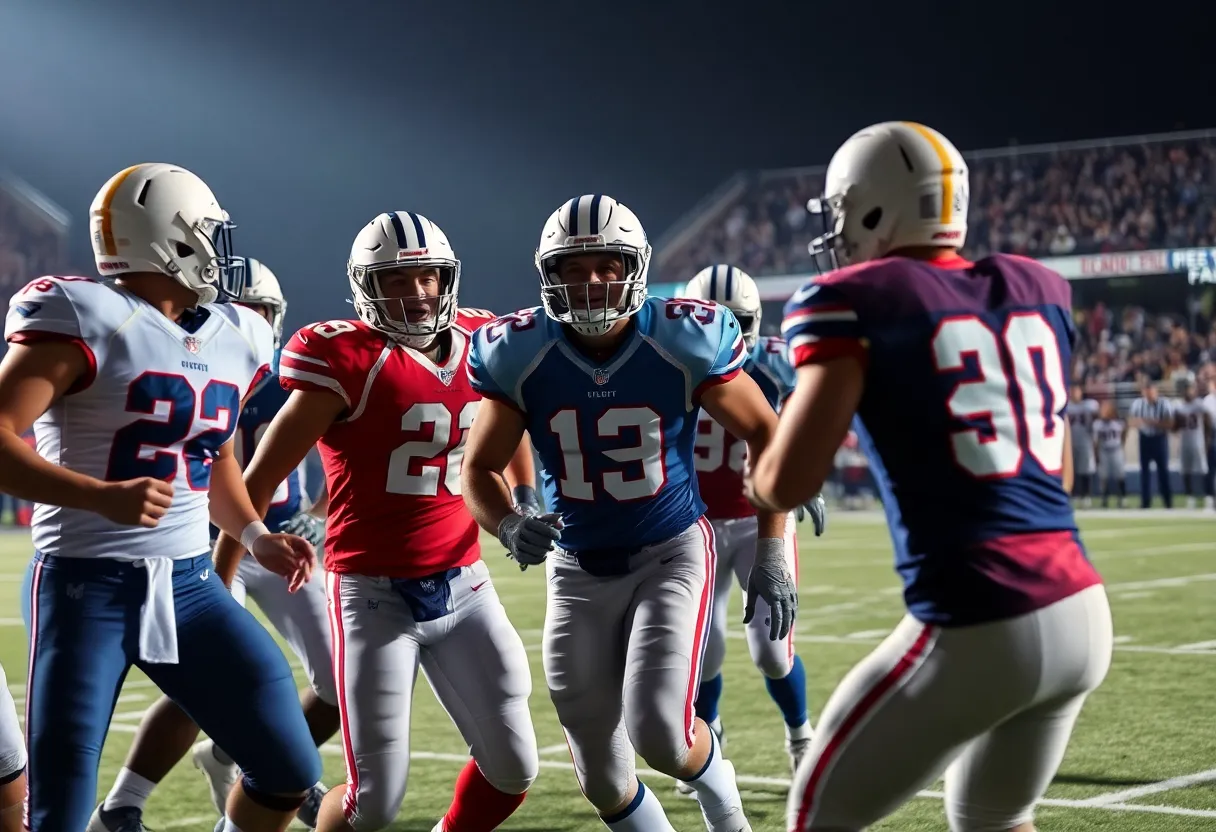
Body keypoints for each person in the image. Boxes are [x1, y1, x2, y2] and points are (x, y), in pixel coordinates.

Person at [743, 122, 1112, 832]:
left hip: (979, 617)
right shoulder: (1035, 287)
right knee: (995, 821)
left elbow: (787, 483)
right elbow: (1057, 473)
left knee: (819, 817)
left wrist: (756, 477)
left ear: (874, 211)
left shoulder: (857, 297)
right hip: (1082, 612)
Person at [0, 163, 321, 832]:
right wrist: (98, 495)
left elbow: (218, 456)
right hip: (84, 589)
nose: (217, 249)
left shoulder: (234, 332)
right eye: (205, 233)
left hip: (191, 586)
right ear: (169, 240)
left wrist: (257, 534)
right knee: (58, 812)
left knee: (290, 766)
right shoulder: (85, 314)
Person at [463, 194, 797, 832]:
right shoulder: (519, 349)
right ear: (548, 273)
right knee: (602, 774)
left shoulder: (680, 336)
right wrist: (506, 521)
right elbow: (476, 469)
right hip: (577, 565)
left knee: (659, 732)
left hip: (668, 550)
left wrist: (773, 552)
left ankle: (723, 800)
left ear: (634, 267)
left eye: (607, 264)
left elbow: (767, 431)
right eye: (573, 266)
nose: (591, 281)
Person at [225, 211, 540, 832]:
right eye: (396, 280)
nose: (417, 293)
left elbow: (506, 424)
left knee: (515, 768)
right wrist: (220, 577)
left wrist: (523, 494)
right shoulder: (343, 358)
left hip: (464, 582)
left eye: (426, 276)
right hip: (371, 594)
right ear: (366, 286)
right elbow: (254, 482)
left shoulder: (483, 341)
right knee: (375, 804)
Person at [85, 258, 337, 832]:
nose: (248, 322)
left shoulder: (290, 378)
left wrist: (317, 516)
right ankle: (123, 804)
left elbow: (337, 460)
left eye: (260, 312)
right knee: (201, 683)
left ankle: (248, 760)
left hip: (278, 540)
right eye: (238, 310)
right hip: (197, 544)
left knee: (340, 678)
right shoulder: (177, 363)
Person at [675, 263, 821, 794]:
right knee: (705, 648)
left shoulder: (778, 364)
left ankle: (801, 735)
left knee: (771, 650)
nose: (728, 333)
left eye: (736, 321)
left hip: (762, 520)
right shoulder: (669, 362)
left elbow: (816, 418)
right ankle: (709, 736)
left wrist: (807, 475)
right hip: (697, 526)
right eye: (715, 320)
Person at [1129, 381, 1175, 509]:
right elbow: (1131, 421)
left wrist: (1152, 422)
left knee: (1163, 472)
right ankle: (1145, 502)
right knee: (1144, 472)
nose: (1149, 394)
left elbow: (1170, 423)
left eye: (1151, 391)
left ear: (1156, 391)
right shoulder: (1138, 404)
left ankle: (1167, 501)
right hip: (1145, 439)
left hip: (1159, 439)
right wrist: (1144, 422)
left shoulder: (1164, 403)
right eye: (1147, 391)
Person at [1175, 378, 1211, 509]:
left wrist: (1207, 439)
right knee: (1186, 471)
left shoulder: (1199, 404)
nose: (1187, 392)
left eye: (1188, 389)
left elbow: (1208, 422)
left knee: (1202, 470)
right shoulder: (1178, 406)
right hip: (1185, 441)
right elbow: (1175, 426)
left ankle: (1208, 496)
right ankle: (1190, 497)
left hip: (1197, 441)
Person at [1066, 384, 1099, 508]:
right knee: (1072, 470)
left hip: (1085, 441)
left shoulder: (1089, 405)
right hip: (1070, 442)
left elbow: (1098, 416)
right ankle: (1074, 495)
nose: (1074, 393)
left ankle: (1086, 496)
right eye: (1072, 391)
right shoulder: (1067, 407)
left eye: (1076, 390)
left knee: (1086, 470)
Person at [1093, 400, 1128, 508]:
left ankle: (1122, 498)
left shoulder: (1119, 422)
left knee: (1120, 475)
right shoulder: (1097, 424)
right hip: (1104, 450)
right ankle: (1104, 499)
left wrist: (1121, 444)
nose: (1103, 411)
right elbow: (1096, 441)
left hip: (1116, 449)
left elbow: (1125, 433)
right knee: (1104, 476)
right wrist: (1096, 454)